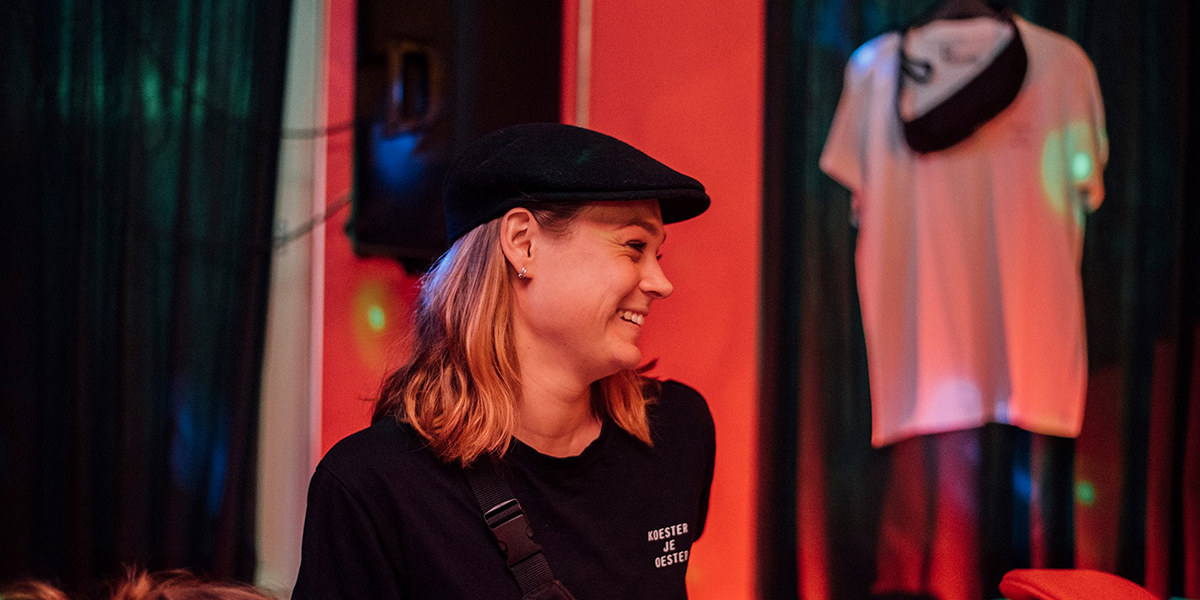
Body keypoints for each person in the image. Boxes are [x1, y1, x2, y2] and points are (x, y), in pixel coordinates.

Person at [292, 123, 716, 600]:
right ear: (523, 242)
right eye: (635, 247)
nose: (661, 283)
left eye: (657, 255)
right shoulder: (372, 487)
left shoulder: (679, 431)